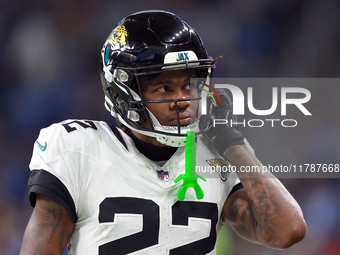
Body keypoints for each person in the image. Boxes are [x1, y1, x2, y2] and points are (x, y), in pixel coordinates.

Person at [20, 10, 307, 255]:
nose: (183, 100)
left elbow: (287, 231)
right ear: (123, 92)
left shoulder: (214, 158)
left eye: (188, 86)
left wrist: (230, 140)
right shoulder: (78, 148)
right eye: (164, 88)